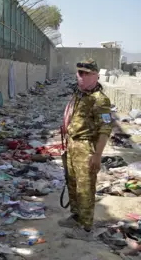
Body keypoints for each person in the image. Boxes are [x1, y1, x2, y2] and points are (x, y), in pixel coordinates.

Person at [58, 58, 113, 240]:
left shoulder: (100, 100)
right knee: (72, 183)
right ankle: (76, 216)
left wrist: (97, 155)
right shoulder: (79, 94)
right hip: (73, 144)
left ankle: (86, 227)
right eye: (79, 73)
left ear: (96, 75)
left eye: (86, 74)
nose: (82, 77)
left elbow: (105, 129)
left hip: (86, 146)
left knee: (85, 187)